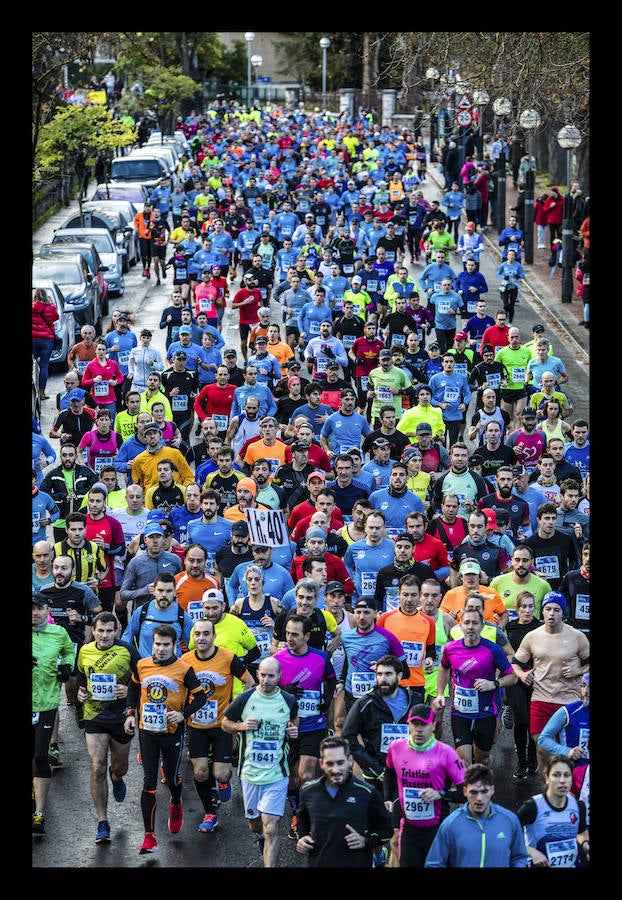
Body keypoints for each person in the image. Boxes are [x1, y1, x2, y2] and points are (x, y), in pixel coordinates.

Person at [123, 623, 207, 854]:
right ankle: (149, 837)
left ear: (174, 646)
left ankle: (176, 801)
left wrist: (183, 714)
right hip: (147, 732)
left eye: (166, 645)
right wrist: (130, 713)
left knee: (171, 779)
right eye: (157, 644)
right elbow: (133, 688)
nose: (161, 649)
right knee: (149, 781)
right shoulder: (142, 665)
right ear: (152, 644)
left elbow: (200, 697)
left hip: (172, 733)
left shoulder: (184, 669)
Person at [221, 657, 300, 867]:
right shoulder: (245, 698)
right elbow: (225, 723)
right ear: (257, 675)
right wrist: (241, 726)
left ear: (280, 677)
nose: (266, 680)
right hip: (250, 773)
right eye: (263, 675)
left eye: (271, 676)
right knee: (254, 825)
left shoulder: (288, 700)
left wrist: (293, 730)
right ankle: (261, 839)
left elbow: (294, 721)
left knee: (271, 827)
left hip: (277, 773)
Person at [181, 616, 255, 834]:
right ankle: (210, 812)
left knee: (221, 773)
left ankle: (223, 781)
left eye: (206, 634)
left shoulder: (228, 657)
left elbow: (250, 681)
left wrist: (236, 710)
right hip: (196, 726)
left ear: (214, 636)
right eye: (197, 634)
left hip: (222, 726)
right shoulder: (185, 660)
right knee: (200, 772)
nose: (201, 638)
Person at [75, 611, 140, 844]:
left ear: (116, 631)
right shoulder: (85, 651)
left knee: (120, 768)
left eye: (109, 631)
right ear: (93, 630)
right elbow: (81, 677)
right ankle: (102, 822)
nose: (104, 635)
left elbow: (144, 679)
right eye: (100, 630)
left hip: (121, 717)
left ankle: (117, 777)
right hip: (95, 716)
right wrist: (80, 693)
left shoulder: (128, 651)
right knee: (97, 765)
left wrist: (129, 691)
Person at [512, 590, 590, 778]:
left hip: (568, 701)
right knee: (543, 750)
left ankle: (569, 789)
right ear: (542, 611)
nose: (552, 613)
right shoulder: (532, 636)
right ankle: (548, 790)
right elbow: (515, 663)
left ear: (563, 613)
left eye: (556, 610)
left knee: (567, 752)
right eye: (548, 609)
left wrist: (578, 671)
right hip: (541, 699)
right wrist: (522, 675)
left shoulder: (577, 636)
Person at [273, 613, 337, 840]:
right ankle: (297, 813)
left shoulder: (320, 657)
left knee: (307, 773)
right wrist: (283, 692)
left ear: (307, 636)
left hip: (313, 725)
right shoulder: (278, 659)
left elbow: (331, 678)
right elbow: (266, 690)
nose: (289, 638)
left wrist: (327, 698)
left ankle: (307, 817)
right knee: (292, 779)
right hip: (288, 727)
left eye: (295, 634)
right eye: (287, 634)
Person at [383, 702, 467, 867]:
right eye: (415, 724)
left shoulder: (446, 753)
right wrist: (387, 798)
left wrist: (440, 794)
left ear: (434, 725)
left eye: (424, 724)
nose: (418, 730)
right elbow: (389, 772)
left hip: (437, 829)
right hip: (409, 830)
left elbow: (466, 792)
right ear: (408, 725)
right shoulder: (396, 748)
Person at [434, 608, 516, 768]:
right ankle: (468, 784)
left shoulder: (493, 649)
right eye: (466, 623)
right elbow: (443, 667)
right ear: (460, 626)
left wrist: (494, 684)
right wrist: (440, 693)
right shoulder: (451, 648)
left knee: (482, 759)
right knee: (463, 760)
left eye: (475, 623)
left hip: (485, 712)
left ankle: (484, 777)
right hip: (460, 712)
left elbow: (512, 677)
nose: (470, 627)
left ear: (482, 626)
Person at [295, 735, 393, 868]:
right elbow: (302, 819)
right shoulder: (308, 791)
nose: (335, 770)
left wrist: (365, 841)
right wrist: (302, 837)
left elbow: (386, 830)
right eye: (330, 764)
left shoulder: (367, 793)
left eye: (340, 763)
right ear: (321, 763)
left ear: (350, 761)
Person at [424, 763, 530, 867]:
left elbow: (520, 857)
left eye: (484, 792)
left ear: (492, 790)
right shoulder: (450, 824)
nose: (479, 798)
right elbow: (434, 863)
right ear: (465, 791)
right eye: (474, 792)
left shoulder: (510, 821)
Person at [32, 592, 77, 836]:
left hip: (46, 703)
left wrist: (66, 667)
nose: (34, 613)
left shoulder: (58, 632)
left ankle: (39, 813)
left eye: (39, 608)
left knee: (40, 756)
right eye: (31, 609)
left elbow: (69, 652)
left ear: (47, 611)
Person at [517, 754, 590, 868]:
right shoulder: (532, 807)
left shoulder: (578, 806)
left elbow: (581, 832)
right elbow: (508, 835)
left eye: (567, 775)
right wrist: (530, 851)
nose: (562, 781)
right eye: (556, 775)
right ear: (547, 778)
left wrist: (585, 844)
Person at [40, 442, 99, 542]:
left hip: (82, 522)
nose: (67, 458)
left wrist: (78, 494)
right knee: (61, 551)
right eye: (64, 455)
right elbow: (43, 494)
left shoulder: (85, 472)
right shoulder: (53, 474)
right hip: (60, 522)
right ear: (60, 457)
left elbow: (96, 488)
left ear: (75, 456)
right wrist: (62, 496)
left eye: (71, 455)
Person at [32, 286, 60, 399]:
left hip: (33, 338)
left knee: (32, 364)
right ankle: (42, 392)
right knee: (44, 365)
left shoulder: (32, 307)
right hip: (47, 339)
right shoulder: (50, 307)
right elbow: (56, 317)